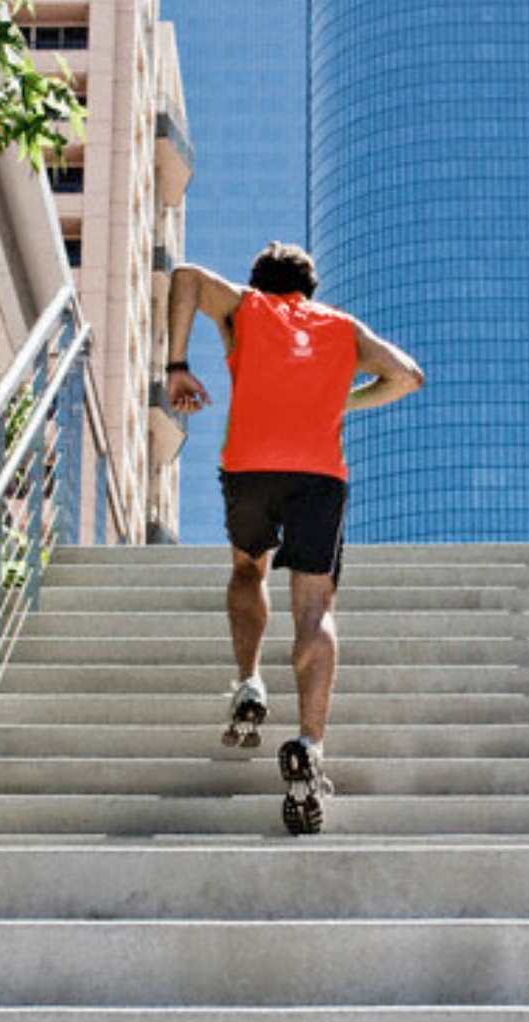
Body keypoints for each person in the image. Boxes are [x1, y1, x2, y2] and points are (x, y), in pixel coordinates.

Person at [165, 242, 424, 835]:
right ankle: (310, 742)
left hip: (250, 466)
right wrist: (339, 403)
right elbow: (407, 377)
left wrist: (176, 366)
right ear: (309, 288)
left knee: (247, 571)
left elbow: (184, 277)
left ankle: (249, 679)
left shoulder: (247, 310)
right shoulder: (340, 327)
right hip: (318, 474)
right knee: (315, 606)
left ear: (261, 282)